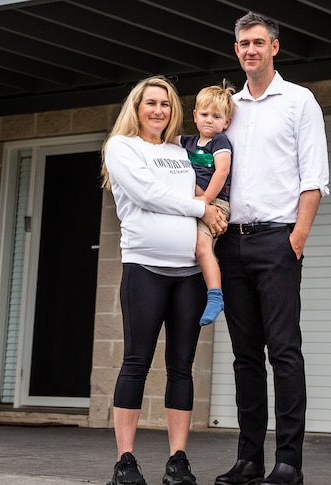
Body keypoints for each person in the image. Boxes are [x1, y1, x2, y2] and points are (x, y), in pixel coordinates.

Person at [213, 11, 329, 485]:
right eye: (243, 44)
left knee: (283, 351)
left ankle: (288, 463)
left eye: (258, 42)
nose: (250, 50)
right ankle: (248, 460)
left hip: (278, 242)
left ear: (275, 47)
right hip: (232, 245)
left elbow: (314, 177)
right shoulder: (229, 108)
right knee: (245, 356)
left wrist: (296, 239)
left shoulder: (299, 101)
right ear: (236, 50)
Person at [101, 75, 227, 485]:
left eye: (166, 104)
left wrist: (213, 211)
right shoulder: (121, 147)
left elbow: (202, 186)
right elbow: (147, 194)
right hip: (145, 268)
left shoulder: (179, 150)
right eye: (151, 103)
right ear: (136, 107)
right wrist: (199, 210)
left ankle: (178, 460)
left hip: (188, 274)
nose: (158, 110)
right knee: (136, 363)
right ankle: (125, 460)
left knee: (182, 368)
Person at [177, 80, 236, 326]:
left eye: (216, 116)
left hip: (216, 202)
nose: (209, 120)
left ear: (226, 122)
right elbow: (160, 141)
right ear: (194, 115)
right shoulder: (188, 142)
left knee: (202, 248)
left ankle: (215, 296)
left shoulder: (219, 142)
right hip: (196, 203)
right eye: (204, 114)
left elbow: (222, 172)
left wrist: (205, 201)